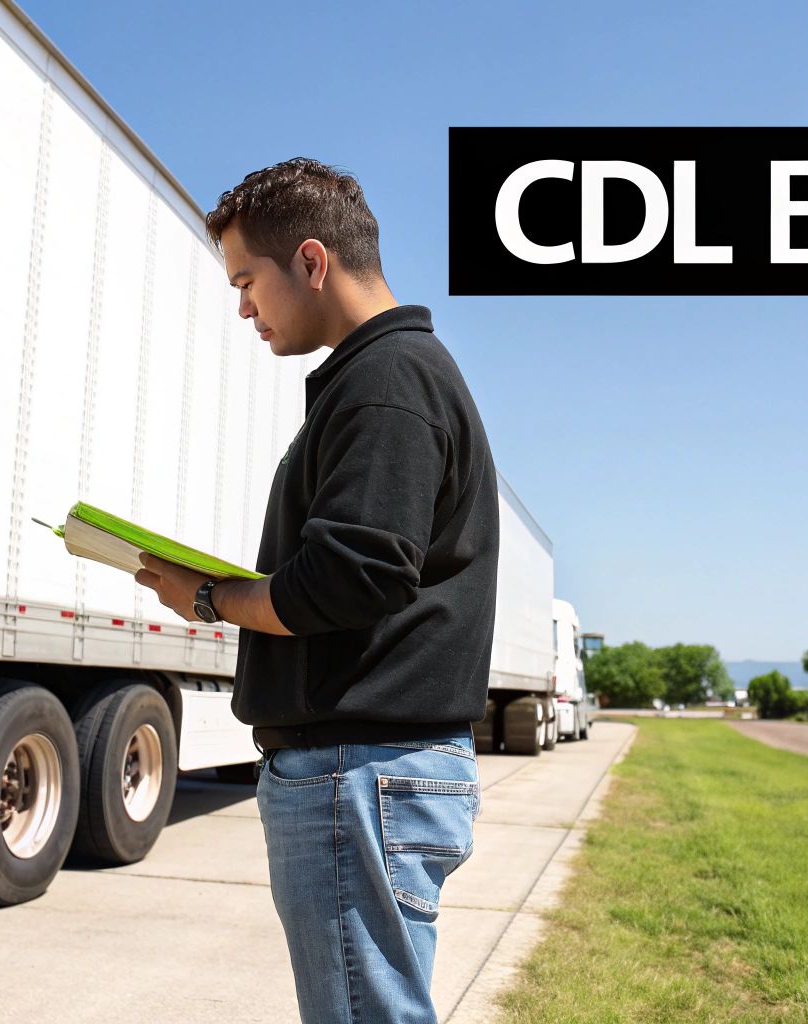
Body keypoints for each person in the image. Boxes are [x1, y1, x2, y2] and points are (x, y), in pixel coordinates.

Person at [130, 157, 500, 1024]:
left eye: (248, 281)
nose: (243, 308)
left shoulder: (388, 381)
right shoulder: (388, 376)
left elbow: (350, 577)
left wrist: (210, 597)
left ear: (311, 260)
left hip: (358, 772)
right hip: (369, 774)